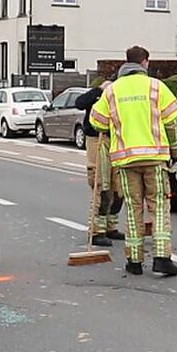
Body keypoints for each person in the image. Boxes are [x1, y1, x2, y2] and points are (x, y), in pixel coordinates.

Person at [90, 46, 177, 277]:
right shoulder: (156, 87)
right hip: (154, 158)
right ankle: (162, 258)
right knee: (159, 207)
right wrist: (175, 150)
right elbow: (172, 124)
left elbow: (97, 122)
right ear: (145, 63)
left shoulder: (112, 91)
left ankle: (134, 261)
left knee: (133, 209)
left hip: (125, 160)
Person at [75, 81, 123, 247]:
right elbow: (79, 103)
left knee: (118, 188)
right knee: (101, 184)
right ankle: (96, 231)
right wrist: (99, 90)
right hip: (97, 139)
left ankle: (111, 226)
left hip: (116, 139)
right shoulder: (96, 95)